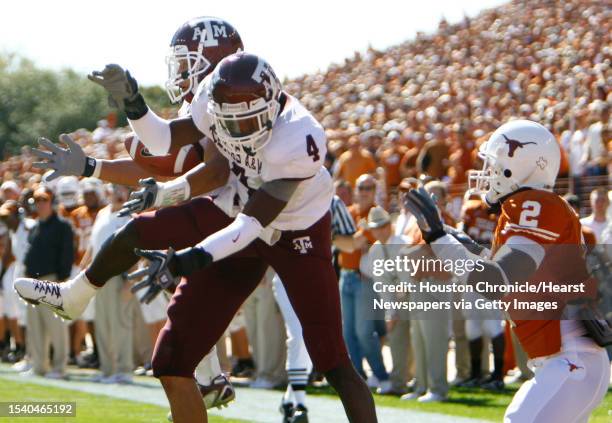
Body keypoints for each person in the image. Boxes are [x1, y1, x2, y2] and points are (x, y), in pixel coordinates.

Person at [17, 52, 377, 423]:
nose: (240, 133)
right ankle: (77, 295)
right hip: (236, 208)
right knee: (171, 358)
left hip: (295, 229)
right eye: (230, 125)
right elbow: (166, 138)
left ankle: (213, 371)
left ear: (271, 103)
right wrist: (134, 103)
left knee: (332, 361)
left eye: (249, 121)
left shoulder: (298, 137)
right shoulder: (212, 97)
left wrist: (185, 260)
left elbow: (252, 227)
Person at [28, 16, 243, 410]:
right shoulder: (201, 104)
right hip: (229, 210)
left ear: (213, 58)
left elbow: (210, 170)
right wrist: (92, 167)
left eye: (187, 61)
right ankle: (210, 376)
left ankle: (76, 294)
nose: (180, 72)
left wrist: (165, 192)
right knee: (167, 275)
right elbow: (158, 162)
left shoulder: (228, 100)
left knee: (314, 336)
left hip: (264, 214)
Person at [405, 120, 609, 422]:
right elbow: (505, 274)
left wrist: (439, 238)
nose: (488, 172)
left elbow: (496, 281)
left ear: (520, 166)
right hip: (570, 361)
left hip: (571, 360)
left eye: (495, 163)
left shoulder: (534, 204)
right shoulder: (533, 208)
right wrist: (458, 242)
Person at [23, 186, 74, 378]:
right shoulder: (36, 226)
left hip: (52, 281)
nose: (40, 204)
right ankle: (39, 366)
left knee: (56, 327)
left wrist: (62, 280)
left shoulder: (62, 225)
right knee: (35, 327)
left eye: (44, 200)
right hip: (32, 282)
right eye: (37, 200)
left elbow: (67, 254)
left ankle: (60, 368)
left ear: (52, 201)